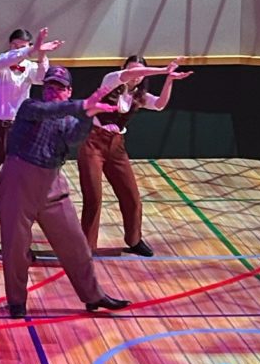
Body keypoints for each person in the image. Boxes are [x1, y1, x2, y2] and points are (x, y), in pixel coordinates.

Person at [0, 65, 130, 319]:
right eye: (49, 86)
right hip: (18, 182)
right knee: (15, 247)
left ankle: (93, 295)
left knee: (76, 243)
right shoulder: (30, 107)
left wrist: (88, 115)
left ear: (68, 91)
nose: (52, 92)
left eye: (59, 88)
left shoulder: (71, 119)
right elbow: (52, 110)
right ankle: (16, 301)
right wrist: (82, 107)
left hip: (52, 183)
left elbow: (74, 139)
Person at [79, 56, 194, 255]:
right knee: (94, 198)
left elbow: (159, 104)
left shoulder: (139, 95)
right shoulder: (110, 80)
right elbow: (130, 74)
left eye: (141, 73)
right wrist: (163, 70)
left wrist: (169, 80)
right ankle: (85, 248)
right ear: (123, 69)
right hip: (93, 143)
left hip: (116, 147)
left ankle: (134, 240)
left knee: (131, 196)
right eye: (134, 71)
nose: (137, 77)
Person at [0, 26, 63, 271]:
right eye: (15, 45)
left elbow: (43, 75)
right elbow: (11, 58)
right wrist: (32, 49)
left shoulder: (29, 67)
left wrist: (41, 54)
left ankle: (18, 245)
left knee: (20, 186)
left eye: (22, 45)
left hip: (19, 129)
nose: (18, 50)